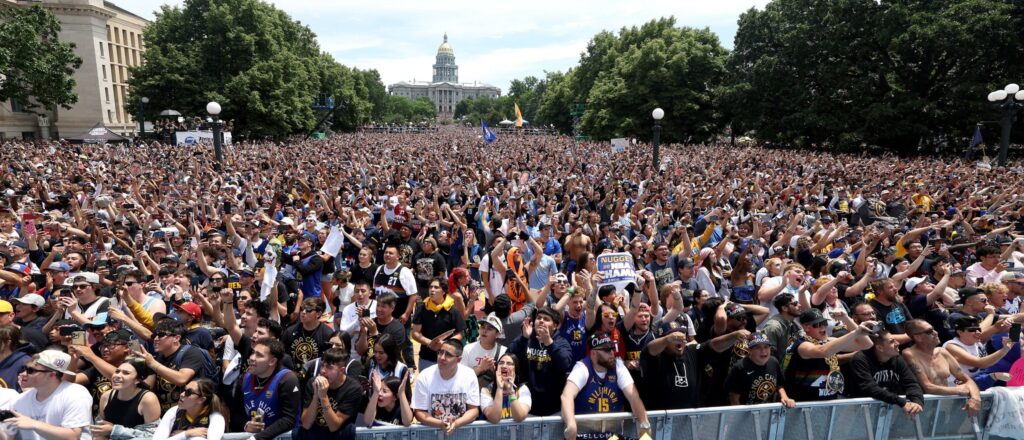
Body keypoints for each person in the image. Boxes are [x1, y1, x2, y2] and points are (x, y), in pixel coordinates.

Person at [561, 332, 651, 440]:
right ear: (593, 353)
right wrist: (571, 425)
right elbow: (566, 396)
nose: (612, 353)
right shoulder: (582, 368)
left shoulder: (618, 366)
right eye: (607, 350)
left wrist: (644, 424)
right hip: (585, 435)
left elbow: (633, 397)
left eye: (612, 349)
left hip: (612, 436)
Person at [783, 309, 875, 401]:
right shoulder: (802, 345)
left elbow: (867, 344)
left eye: (824, 323)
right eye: (817, 325)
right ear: (806, 327)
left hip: (829, 402)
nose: (823, 327)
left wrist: (846, 319)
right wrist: (856, 333)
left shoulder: (829, 341)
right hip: (804, 404)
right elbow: (823, 351)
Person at [3, 350, 92, 440]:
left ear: (52, 375)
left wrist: (34, 424)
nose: (23, 374)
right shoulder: (20, 400)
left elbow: (72, 436)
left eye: (31, 370)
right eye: (24, 368)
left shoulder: (75, 394)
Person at [901, 319, 982, 417]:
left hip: (942, 408)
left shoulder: (942, 352)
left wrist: (976, 398)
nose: (936, 333)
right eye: (929, 331)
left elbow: (966, 380)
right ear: (918, 337)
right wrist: (958, 390)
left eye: (934, 329)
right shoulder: (909, 354)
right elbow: (928, 387)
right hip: (921, 410)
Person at [509, 306, 574, 416]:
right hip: (527, 407)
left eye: (546, 319)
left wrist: (548, 342)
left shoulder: (561, 342)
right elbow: (509, 357)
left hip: (554, 409)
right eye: (539, 318)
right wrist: (524, 338)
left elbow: (564, 364)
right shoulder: (526, 339)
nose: (541, 321)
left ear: (556, 326)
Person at [846, 330, 924, 417]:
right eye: (892, 341)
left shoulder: (897, 358)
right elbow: (870, 388)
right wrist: (901, 402)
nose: (897, 343)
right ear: (880, 348)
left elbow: (911, 383)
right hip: (860, 412)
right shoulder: (860, 359)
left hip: (888, 409)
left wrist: (917, 401)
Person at [411, 339, 481, 435]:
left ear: (459, 360)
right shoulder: (424, 376)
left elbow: (473, 410)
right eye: (440, 352)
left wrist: (456, 423)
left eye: (448, 355)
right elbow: (419, 412)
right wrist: (440, 424)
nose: (442, 357)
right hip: (432, 434)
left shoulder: (469, 375)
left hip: (462, 434)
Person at [236, 338, 301, 440]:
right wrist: (246, 424)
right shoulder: (245, 378)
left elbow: (288, 420)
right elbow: (235, 411)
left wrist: (257, 438)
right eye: (253, 353)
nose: (252, 358)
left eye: (259, 355)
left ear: (272, 361)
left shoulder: (287, 379)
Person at [299, 348, 364, 439]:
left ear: (342, 370)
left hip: (339, 436)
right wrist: (315, 396)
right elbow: (306, 424)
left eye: (329, 367)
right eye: (322, 365)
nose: (322, 371)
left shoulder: (353, 389)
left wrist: (323, 397)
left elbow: (334, 426)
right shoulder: (312, 383)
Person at [91, 358, 162, 440]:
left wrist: (114, 430)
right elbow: (99, 432)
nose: (117, 375)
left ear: (137, 380)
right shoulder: (106, 396)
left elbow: (152, 436)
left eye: (126, 373)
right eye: (117, 371)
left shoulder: (148, 399)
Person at [941, 316, 1015, 390]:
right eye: (972, 330)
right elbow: (981, 363)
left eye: (978, 329)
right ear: (960, 332)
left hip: (975, 385)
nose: (978, 332)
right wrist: (1004, 350)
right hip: (955, 391)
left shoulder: (977, 341)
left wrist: (1006, 322)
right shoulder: (951, 346)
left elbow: (994, 328)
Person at [724, 332, 795, 407]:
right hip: (745, 412)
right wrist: (740, 417)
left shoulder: (774, 362)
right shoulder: (740, 367)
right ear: (749, 350)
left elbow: (779, 384)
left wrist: (785, 397)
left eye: (766, 347)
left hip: (767, 411)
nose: (763, 351)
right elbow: (733, 397)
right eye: (757, 347)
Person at [410, 277, 466, 370]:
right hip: (426, 358)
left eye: (436, 287)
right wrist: (429, 342)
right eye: (431, 287)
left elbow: (460, 333)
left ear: (444, 291)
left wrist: (445, 344)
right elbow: (415, 333)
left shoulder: (452, 310)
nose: (432, 290)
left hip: (447, 358)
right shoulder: (421, 308)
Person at [152, 378, 227, 440]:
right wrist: (187, 434)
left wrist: (178, 436)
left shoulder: (215, 416)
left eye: (188, 392)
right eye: (184, 390)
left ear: (201, 400)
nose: (182, 394)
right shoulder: (173, 412)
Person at [281, 297, 333, 381]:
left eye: (308, 310)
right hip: (292, 377)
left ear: (318, 314)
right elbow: (282, 355)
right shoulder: (290, 331)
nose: (303, 312)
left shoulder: (327, 334)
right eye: (302, 309)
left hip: (315, 379)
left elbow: (328, 362)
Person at [480, 352, 531, 423]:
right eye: (501, 363)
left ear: (515, 369)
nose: (504, 366)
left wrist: (510, 390)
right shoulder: (486, 391)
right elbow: (494, 419)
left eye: (509, 364)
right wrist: (499, 388)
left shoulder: (522, 389)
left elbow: (519, 417)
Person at [460, 312, 505, 378]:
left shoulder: (504, 352)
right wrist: (480, 368)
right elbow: (462, 377)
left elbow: (506, 378)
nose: (484, 331)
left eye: (489, 329)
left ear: (497, 334)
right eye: (483, 327)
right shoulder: (468, 349)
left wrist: (493, 370)